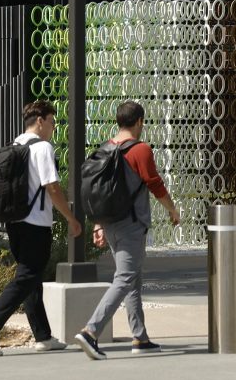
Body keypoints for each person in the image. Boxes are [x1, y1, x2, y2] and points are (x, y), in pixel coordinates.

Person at [0, 99, 82, 356]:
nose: (54, 127)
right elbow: (52, 188)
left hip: (15, 222)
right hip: (36, 223)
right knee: (27, 277)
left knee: (32, 279)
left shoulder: (17, 144)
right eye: (53, 122)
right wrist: (71, 218)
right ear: (41, 121)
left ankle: (43, 336)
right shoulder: (42, 148)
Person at [74, 100, 181, 360]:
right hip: (130, 224)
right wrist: (172, 209)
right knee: (125, 278)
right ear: (139, 122)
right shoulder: (139, 149)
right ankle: (91, 331)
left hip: (110, 222)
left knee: (132, 278)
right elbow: (154, 183)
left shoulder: (107, 148)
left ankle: (139, 336)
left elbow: (101, 192)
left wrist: (98, 223)